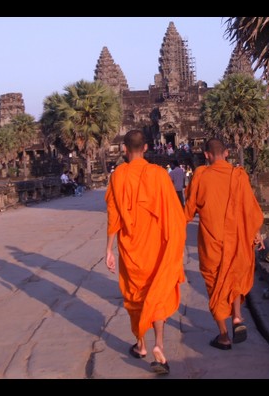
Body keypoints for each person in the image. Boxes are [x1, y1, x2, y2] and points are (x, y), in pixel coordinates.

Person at [105, 129, 186, 375]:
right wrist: (174, 247)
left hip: (131, 249)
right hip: (156, 248)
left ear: (124, 149)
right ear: (147, 148)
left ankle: (141, 344)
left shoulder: (118, 175)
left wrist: (108, 249)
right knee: (157, 294)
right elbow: (174, 215)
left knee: (134, 296)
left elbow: (114, 216)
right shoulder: (159, 175)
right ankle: (159, 345)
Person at [184, 138, 265, 350]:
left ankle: (223, 336)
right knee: (234, 274)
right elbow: (250, 209)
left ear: (206, 155)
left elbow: (188, 210)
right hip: (236, 240)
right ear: (227, 153)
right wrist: (256, 233)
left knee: (215, 284)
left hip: (211, 242)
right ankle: (237, 316)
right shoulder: (239, 175)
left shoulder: (200, 176)